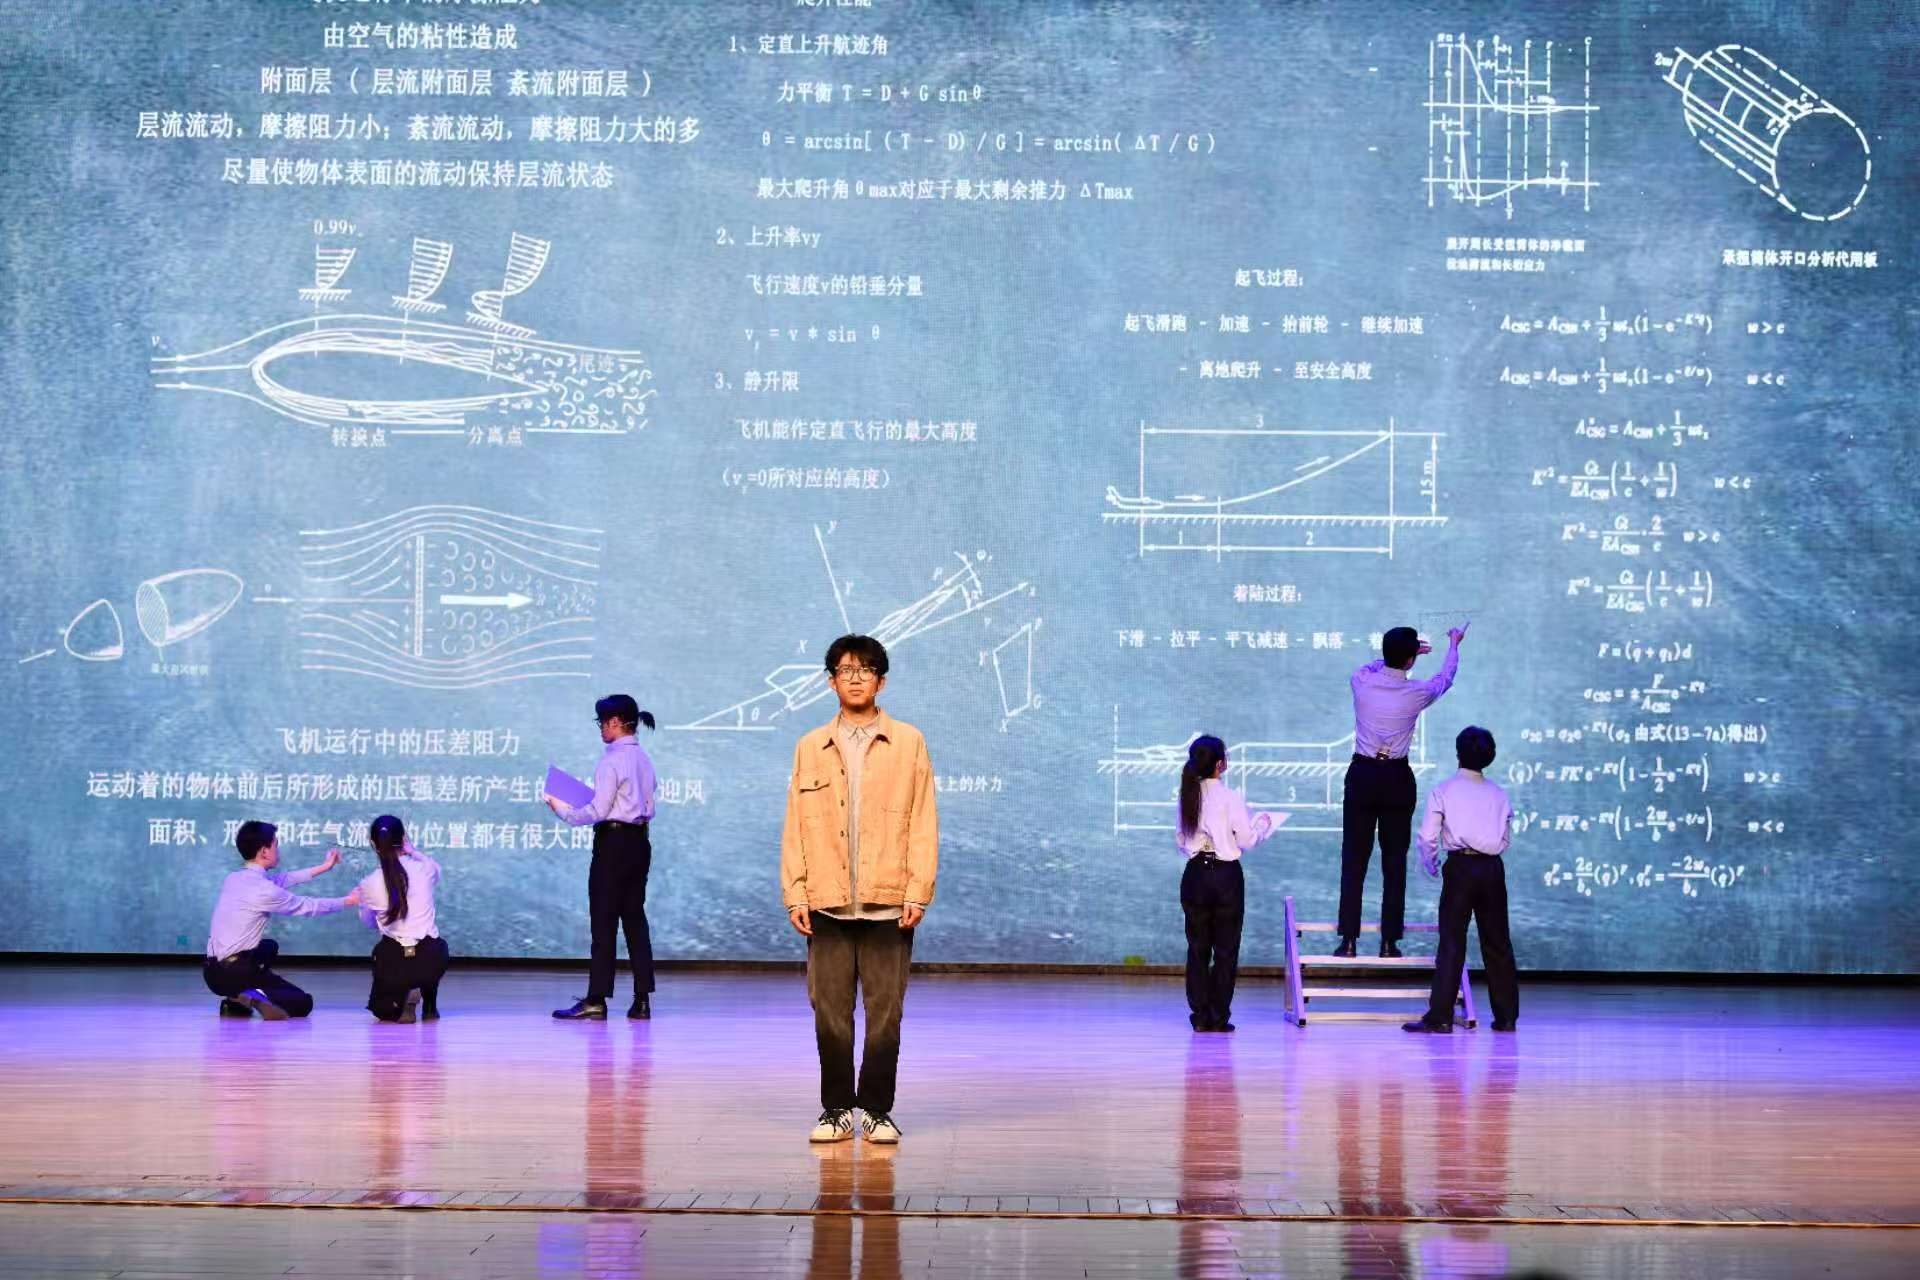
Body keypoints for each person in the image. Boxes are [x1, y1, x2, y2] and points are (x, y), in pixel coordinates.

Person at [781, 635, 938, 1146]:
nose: (855, 678)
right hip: (826, 902)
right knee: (829, 1012)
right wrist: (795, 892)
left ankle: (875, 1109)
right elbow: (795, 825)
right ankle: (835, 1109)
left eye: (865, 670)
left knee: (885, 1014)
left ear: (881, 681)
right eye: (845, 670)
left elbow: (923, 821)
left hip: (888, 902)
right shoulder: (810, 746)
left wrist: (918, 890)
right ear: (830, 682)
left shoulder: (909, 742)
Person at [1336, 622, 1468, 958]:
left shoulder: (1361, 681)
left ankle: (1348, 941)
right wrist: (1453, 644)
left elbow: (1376, 665)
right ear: (1411, 659)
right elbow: (1445, 678)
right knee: (1394, 861)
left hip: (1362, 774)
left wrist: (1398, 656)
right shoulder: (1416, 692)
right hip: (1396, 777)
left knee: (1354, 859)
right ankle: (1388, 942)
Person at [549, 694, 660, 1021]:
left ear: (615, 722)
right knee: (635, 921)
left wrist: (562, 809)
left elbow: (598, 810)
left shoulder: (611, 761)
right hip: (639, 843)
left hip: (612, 845)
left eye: (602, 722)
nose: (600, 728)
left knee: (604, 921)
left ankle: (596, 999)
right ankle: (642, 1001)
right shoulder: (644, 759)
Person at [1405, 726, 1519, 1034]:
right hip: (1492, 868)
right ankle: (1506, 1017)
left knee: (1452, 941)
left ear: (1458, 754)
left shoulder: (1444, 790)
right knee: (1497, 942)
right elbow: (1505, 838)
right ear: (1490, 757)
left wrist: (1431, 865)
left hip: (1460, 867)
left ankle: (1441, 1017)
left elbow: (1427, 837)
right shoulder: (1499, 793)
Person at [203, 820, 361, 1019]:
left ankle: (235, 1000)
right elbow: (308, 906)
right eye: (275, 845)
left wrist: (324, 867)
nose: (278, 850)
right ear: (264, 852)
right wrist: (348, 901)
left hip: (212, 972)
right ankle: (252, 994)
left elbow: (284, 879)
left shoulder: (234, 878)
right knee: (303, 1003)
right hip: (234, 972)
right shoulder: (264, 890)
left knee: (268, 947)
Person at [1175, 736, 1275, 1032]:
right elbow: (1247, 840)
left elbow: (1181, 840)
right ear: (1220, 764)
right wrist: (1263, 825)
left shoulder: (1187, 794)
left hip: (1195, 874)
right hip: (1225, 876)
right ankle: (1218, 1017)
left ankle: (1199, 1016)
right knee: (1226, 949)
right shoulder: (1231, 797)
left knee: (1197, 948)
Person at [354, 815, 451, 1023]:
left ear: (373, 844)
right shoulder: (424, 869)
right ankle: (429, 1005)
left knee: (383, 1012)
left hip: (394, 960)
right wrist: (413, 851)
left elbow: (368, 922)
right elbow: (437, 870)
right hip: (431, 959)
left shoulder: (369, 883)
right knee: (435, 944)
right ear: (404, 838)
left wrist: (365, 903)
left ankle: (404, 995)